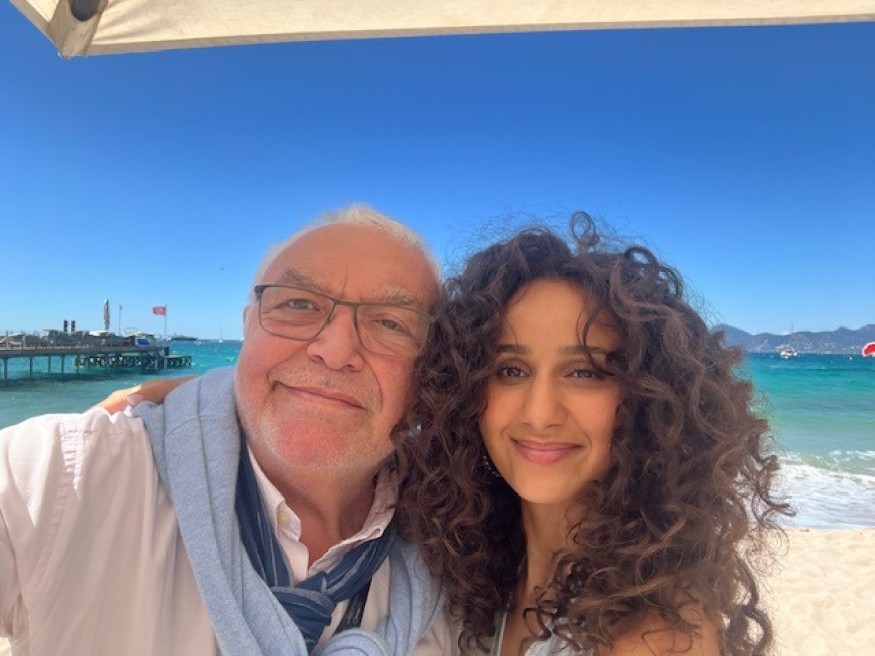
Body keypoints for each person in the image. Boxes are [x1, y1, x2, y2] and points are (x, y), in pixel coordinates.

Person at [0, 205, 453, 655]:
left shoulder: (455, 552)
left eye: (390, 323)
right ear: (248, 327)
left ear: (434, 368)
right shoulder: (65, 477)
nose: (334, 352)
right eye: (298, 304)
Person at [396, 213, 792, 655]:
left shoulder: (655, 636)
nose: (539, 414)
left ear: (650, 399)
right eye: (511, 370)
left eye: (584, 372)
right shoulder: (480, 573)